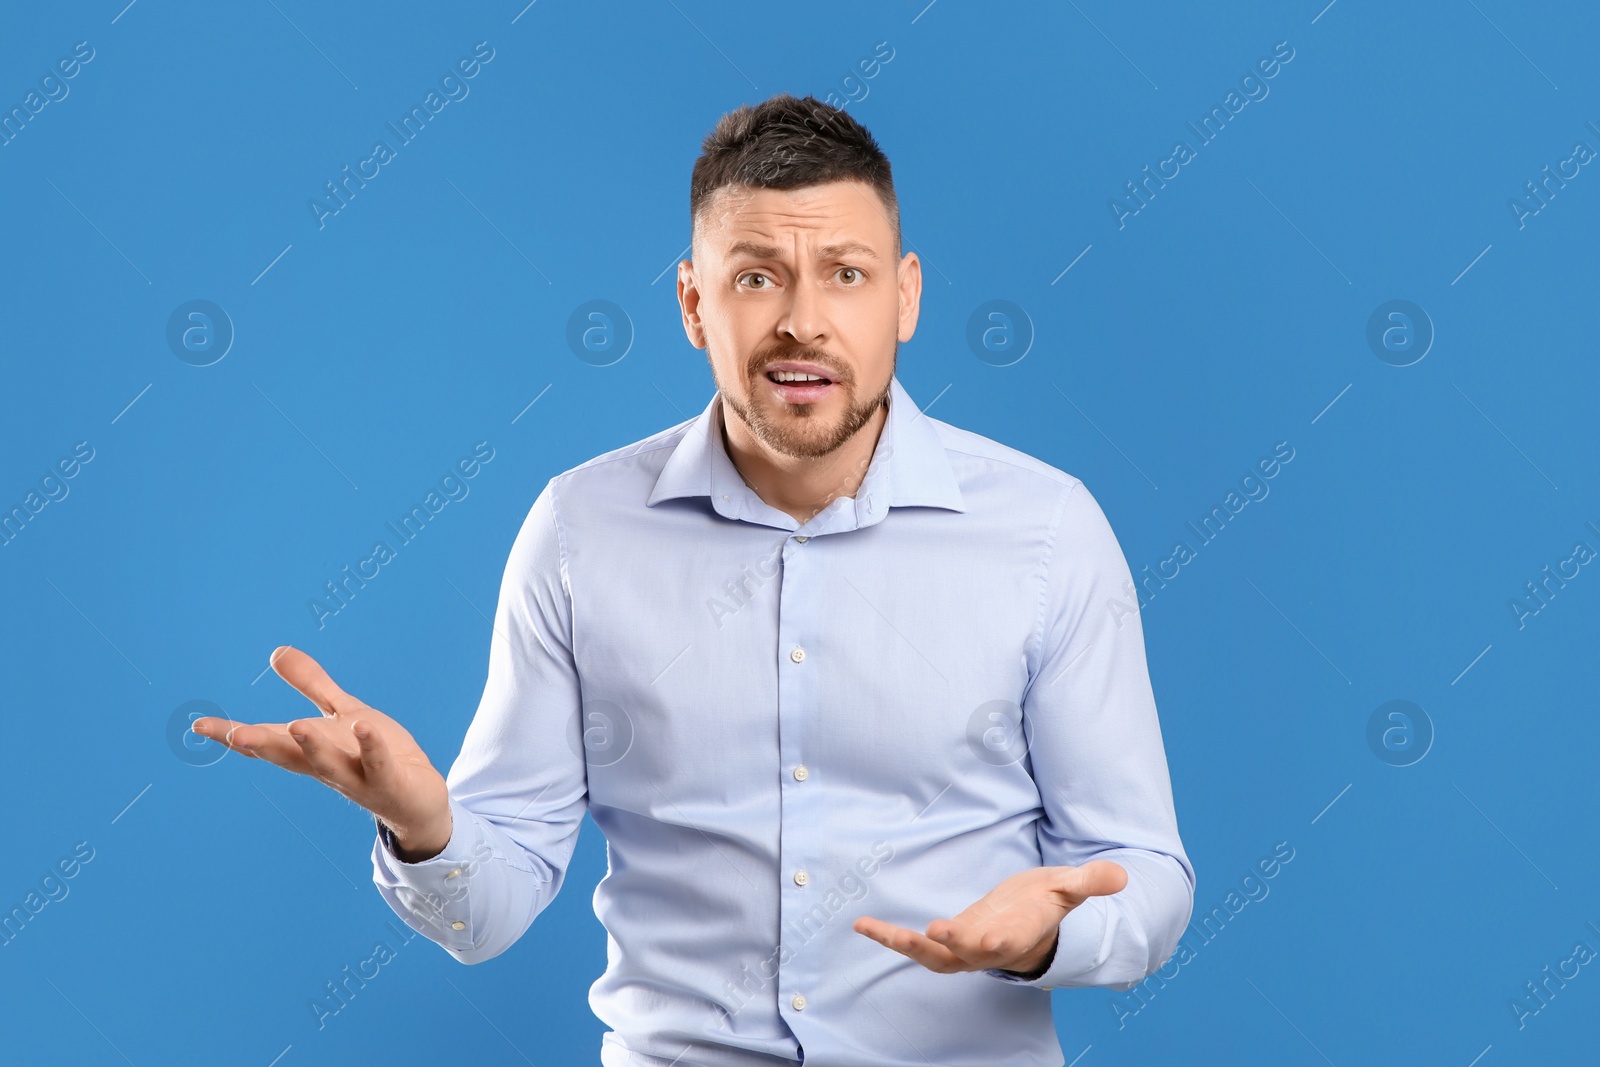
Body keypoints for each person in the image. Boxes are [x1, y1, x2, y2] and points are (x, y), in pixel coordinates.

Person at [194, 92, 1194, 1067]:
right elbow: (486, 915)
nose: (803, 322)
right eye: (757, 278)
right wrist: (424, 828)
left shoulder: (1046, 529)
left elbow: (1143, 872)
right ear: (692, 304)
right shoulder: (580, 529)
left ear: (904, 297)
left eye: (844, 273)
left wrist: (1047, 934)